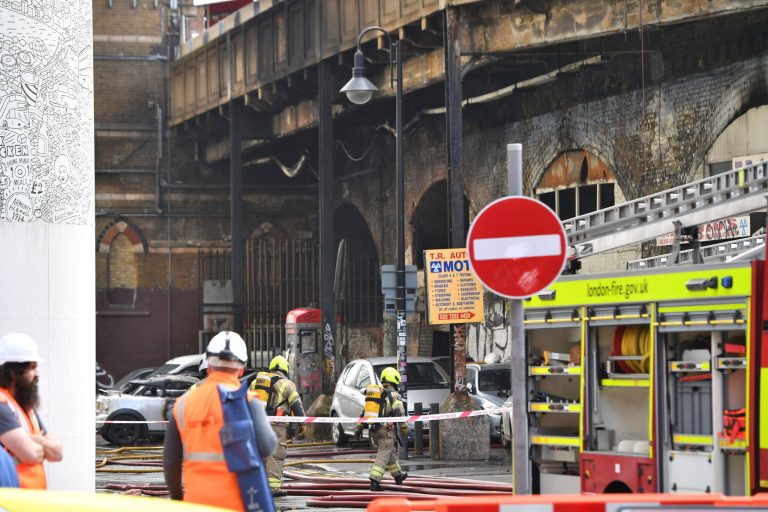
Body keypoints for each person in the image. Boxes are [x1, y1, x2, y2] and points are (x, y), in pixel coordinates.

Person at [163, 331, 278, 511]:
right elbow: (268, 446)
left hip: (196, 503)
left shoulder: (183, 404)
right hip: (239, 503)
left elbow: (171, 460)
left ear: (208, 366)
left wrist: (177, 497)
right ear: (241, 369)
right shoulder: (248, 402)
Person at [0, 333, 62, 489]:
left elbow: (57, 453)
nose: (38, 374)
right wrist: (42, 441)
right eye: (32, 368)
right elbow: (31, 454)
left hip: (29, 500)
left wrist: (33, 440)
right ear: (14, 372)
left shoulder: (24, 406)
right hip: (10, 500)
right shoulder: (2, 405)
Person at [249, 355, 306, 497]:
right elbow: (296, 406)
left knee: (257, 453)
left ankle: (256, 485)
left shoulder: (256, 382)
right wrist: (302, 423)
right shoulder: (287, 384)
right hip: (277, 425)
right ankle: (273, 489)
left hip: (256, 422)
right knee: (276, 455)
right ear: (285, 369)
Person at [355, 366, 408, 491]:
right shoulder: (395, 396)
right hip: (386, 432)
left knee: (389, 453)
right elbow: (399, 414)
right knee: (384, 454)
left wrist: (358, 428)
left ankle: (398, 475)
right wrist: (404, 430)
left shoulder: (377, 395)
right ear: (394, 380)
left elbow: (364, 413)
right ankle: (374, 481)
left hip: (374, 431)